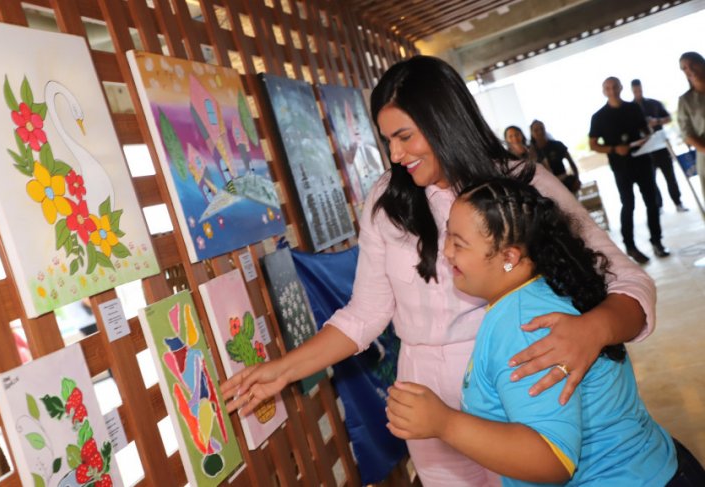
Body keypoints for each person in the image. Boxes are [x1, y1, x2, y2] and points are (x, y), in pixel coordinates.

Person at [222, 56, 656, 487]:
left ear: (444, 121)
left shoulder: (523, 185)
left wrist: (593, 330)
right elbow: (365, 313)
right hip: (425, 394)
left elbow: (626, 281)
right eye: (386, 139)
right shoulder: (385, 201)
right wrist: (283, 370)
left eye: (405, 136)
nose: (394, 153)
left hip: (518, 377)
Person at [385, 178, 704, 486]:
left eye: (459, 243)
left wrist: (445, 423)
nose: (448, 253)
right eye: (448, 238)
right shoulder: (538, 292)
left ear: (510, 257)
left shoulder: (525, 324)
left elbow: (552, 459)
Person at [589, 77, 670, 264]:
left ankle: (657, 241)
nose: (612, 90)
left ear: (620, 88)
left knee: (652, 202)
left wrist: (645, 139)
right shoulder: (599, 116)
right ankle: (630, 246)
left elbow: (645, 131)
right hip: (621, 167)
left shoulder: (633, 108)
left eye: (614, 86)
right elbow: (593, 144)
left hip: (643, 161)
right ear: (604, 91)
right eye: (607, 87)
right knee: (628, 205)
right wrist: (614, 149)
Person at [630, 78, 688, 212]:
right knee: (651, 180)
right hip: (645, 151)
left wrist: (657, 121)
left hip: (662, 147)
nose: (638, 93)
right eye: (635, 91)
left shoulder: (654, 103)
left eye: (639, 90)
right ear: (632, 91)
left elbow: (668, 118)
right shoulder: (630, 109)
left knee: (670, 177)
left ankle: (678, 202)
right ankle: (658, 205)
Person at [678, 51, 705, 199]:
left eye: (693, 64)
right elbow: (687, 135)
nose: (690, 70)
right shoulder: (685, 101)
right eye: (685, 68)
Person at [530, 119, 581, 193]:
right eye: (536, 130)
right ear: (532, 133)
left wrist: (576, 179)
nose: (540, 132)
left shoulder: (557, 145)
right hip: (545, 188)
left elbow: (571, 162)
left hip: (564, 183)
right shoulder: (531, 152)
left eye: (542, 128)